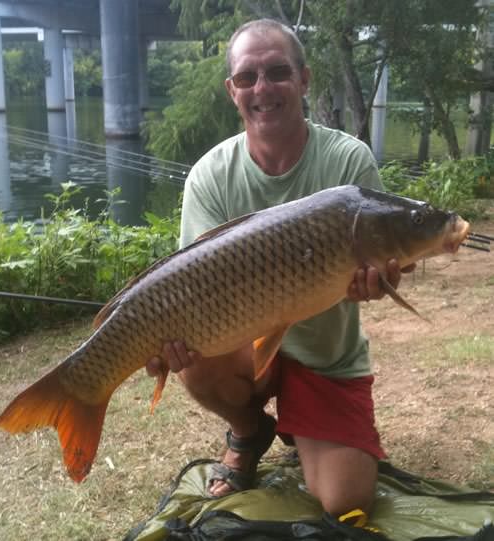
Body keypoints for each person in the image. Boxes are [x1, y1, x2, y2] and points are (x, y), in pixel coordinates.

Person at [147, 18, 412, 518]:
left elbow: (384, 254)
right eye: (247, 78)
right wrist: (161, 336)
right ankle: (250, 432)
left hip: (324, 358)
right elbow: (189, 285)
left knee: (345, 501)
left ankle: (307, 423)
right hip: (247, 351)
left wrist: (376, 283)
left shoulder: (348, 163)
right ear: (232, 90)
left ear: (304, 80)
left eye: (277, 72)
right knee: (193, 355)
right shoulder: (210, 175)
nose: (262, 88)